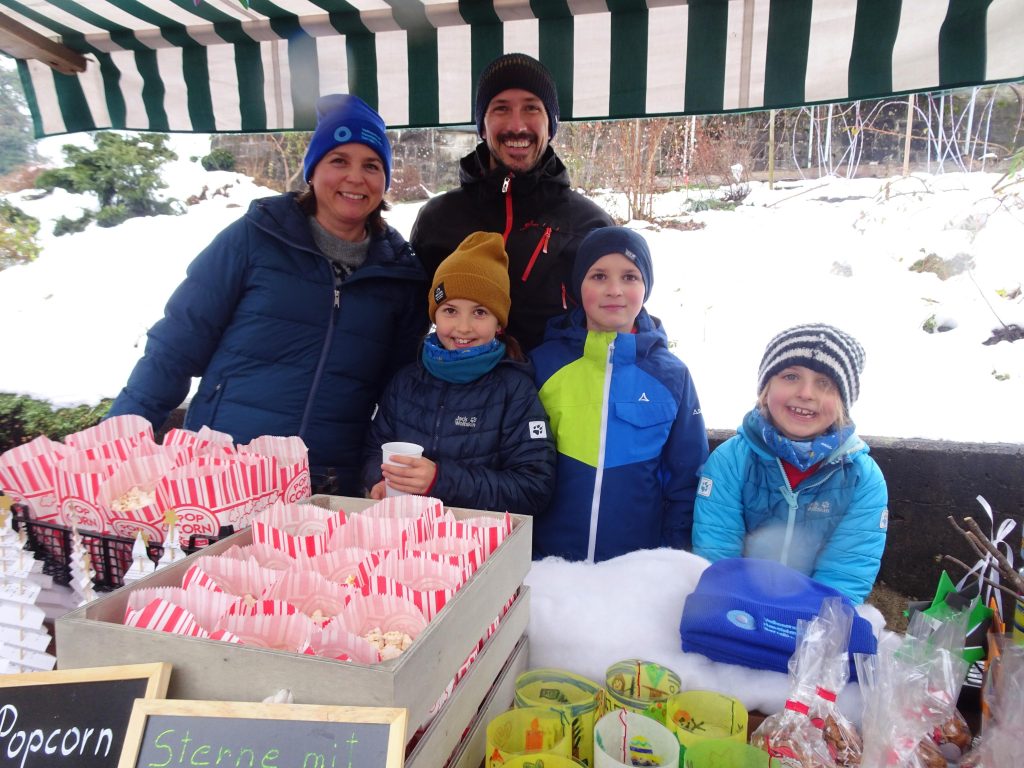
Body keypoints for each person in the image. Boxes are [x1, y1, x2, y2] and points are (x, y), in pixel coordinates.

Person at [107, 94, 428, 495]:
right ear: (313, 170)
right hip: (222, 466)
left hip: (324, 478)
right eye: (339, 160)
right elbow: (177, 343)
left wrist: (377, 471)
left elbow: (402, 393)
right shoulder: (255, 238)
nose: (355, 178)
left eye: (372, 165)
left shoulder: (400, 274)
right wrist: (117, 443)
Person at [410, 52, 614, 352]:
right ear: (481, 126)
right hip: (461, 396)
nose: (517, 125)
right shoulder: (438, 219)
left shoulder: (589, 226)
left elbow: (619, 325)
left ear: (551, 125)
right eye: (501, 109)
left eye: (531, 108)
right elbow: (408, 326)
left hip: (554, 396)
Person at [530, 227, 709, 562]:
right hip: (547, 567)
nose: (614, 290)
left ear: (646, 288)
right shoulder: (543, 365)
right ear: (578, 286)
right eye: (598, 276)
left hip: (635, 572)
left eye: (629, 277)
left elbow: (686, 478)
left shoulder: (672, 376)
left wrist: (668, 558)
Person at [691, 324, 888, 604]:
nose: (806, 393)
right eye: (791, 376)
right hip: (737, 606)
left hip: (814, 615)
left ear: (843, 401)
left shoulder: (862, 478)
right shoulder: (731, 460)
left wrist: (816, 629)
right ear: (766, 388)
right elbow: (716, 553)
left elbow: (846, 572)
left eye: (824, 383)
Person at [361, 231, 556, 514]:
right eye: (450, 310)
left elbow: (534, 488)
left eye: (479, 313)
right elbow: (372, 452)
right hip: (403, 541)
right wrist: (378, 480)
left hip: (478, 548)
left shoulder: (514, 391)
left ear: (498, 323)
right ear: (435, 315)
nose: (463, 328)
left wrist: (440, 481)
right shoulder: (406, 382)